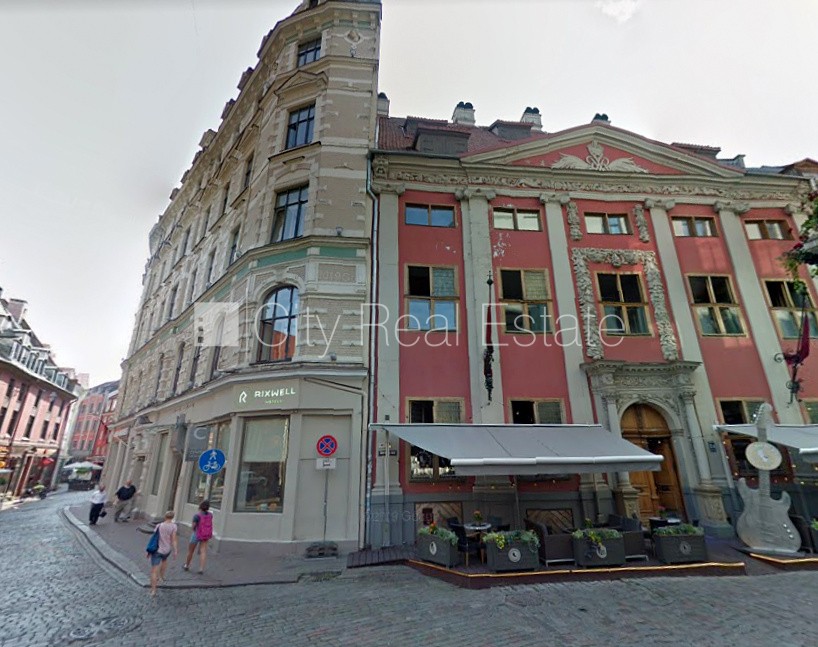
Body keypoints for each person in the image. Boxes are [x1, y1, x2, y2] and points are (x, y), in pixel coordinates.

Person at [149, 510, 178, 597]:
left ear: (165, 517)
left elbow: (154, 537)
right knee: (164, 561)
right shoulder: (174, 526)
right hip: (167, 549)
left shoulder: (159, 526)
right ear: (172, 517)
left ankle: (153, 590)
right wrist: (175, 550)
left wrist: (149, 550)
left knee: (154, 570)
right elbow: (174, 539)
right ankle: (161, 576)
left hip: (158, 549)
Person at [183, 500, 213, 574]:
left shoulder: (197, 516)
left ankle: (187, 565)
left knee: (190, 551)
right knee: (203, 551)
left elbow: (193, 526)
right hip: (205, 535)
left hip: (196, 534)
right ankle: (201, 569)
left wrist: (193, 530)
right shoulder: (210, 515)